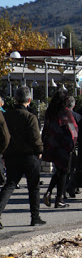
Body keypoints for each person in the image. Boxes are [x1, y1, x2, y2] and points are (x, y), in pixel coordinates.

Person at [0, 86, 45, 228]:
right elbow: (35, 137)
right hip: (29, 155)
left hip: (12, 155)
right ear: (29, 100)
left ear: (15, 99)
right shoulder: (30, 117)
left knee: (10, 185)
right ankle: (35, 217)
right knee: (34, 187)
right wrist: (40, 150)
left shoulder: (7, 116)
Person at [41, 90, 78, 209]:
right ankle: (59, 199)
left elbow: (46, 129)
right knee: (64, 172)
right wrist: (73, 144)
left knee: (59, 171)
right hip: (63, 146)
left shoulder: (49, 112)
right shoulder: (66, 113)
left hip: (51, 145)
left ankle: (49, 191)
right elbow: (73, 130)